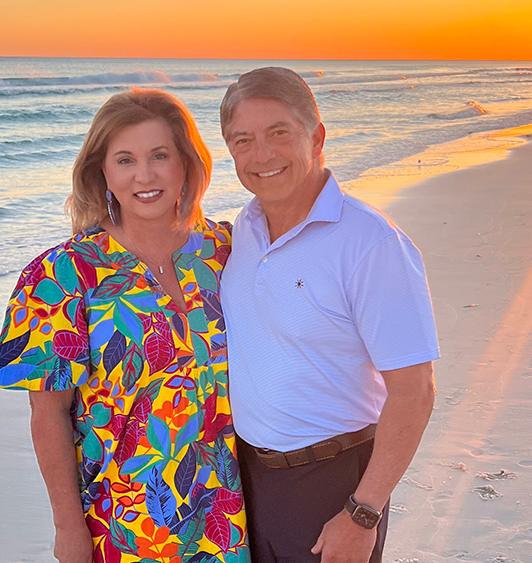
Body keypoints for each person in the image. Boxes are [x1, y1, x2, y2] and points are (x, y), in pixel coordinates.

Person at [0, 89, 248, 563]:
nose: (144, 176)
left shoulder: (228, 250)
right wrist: (69, 530)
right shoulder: (60, 277)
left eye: (160, 156)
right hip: (125, 524)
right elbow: (47, 417)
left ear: (186, 163)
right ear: (101, 172)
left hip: (232, 514)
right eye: (125, 159)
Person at [219, 67, 439, 563]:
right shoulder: (242, 232)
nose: (262, 155)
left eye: (279, 133)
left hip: (333, 484)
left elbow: (415, 392)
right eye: (243, 140)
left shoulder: (371, 244)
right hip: (245, 480)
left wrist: (363, 513)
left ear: (316, 136)